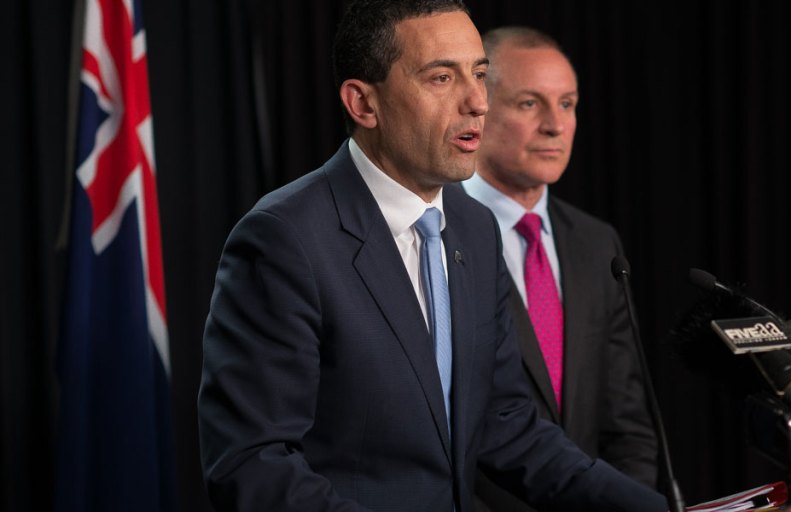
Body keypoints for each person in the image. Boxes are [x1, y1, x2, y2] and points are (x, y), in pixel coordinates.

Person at [196, 1, 668, 511]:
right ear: (363, 104)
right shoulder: (285, 238)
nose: (477, 103)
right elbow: (252, 464)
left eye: (480, 74)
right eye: (442, 77)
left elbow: (504, 423)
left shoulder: (474, 226)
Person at [463, 27, 660, 512]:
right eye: (530, 104)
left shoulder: (596, 243)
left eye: (567, 104)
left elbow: (627, 422)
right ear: (479, 109)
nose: (555, 125)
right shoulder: (436, 233)